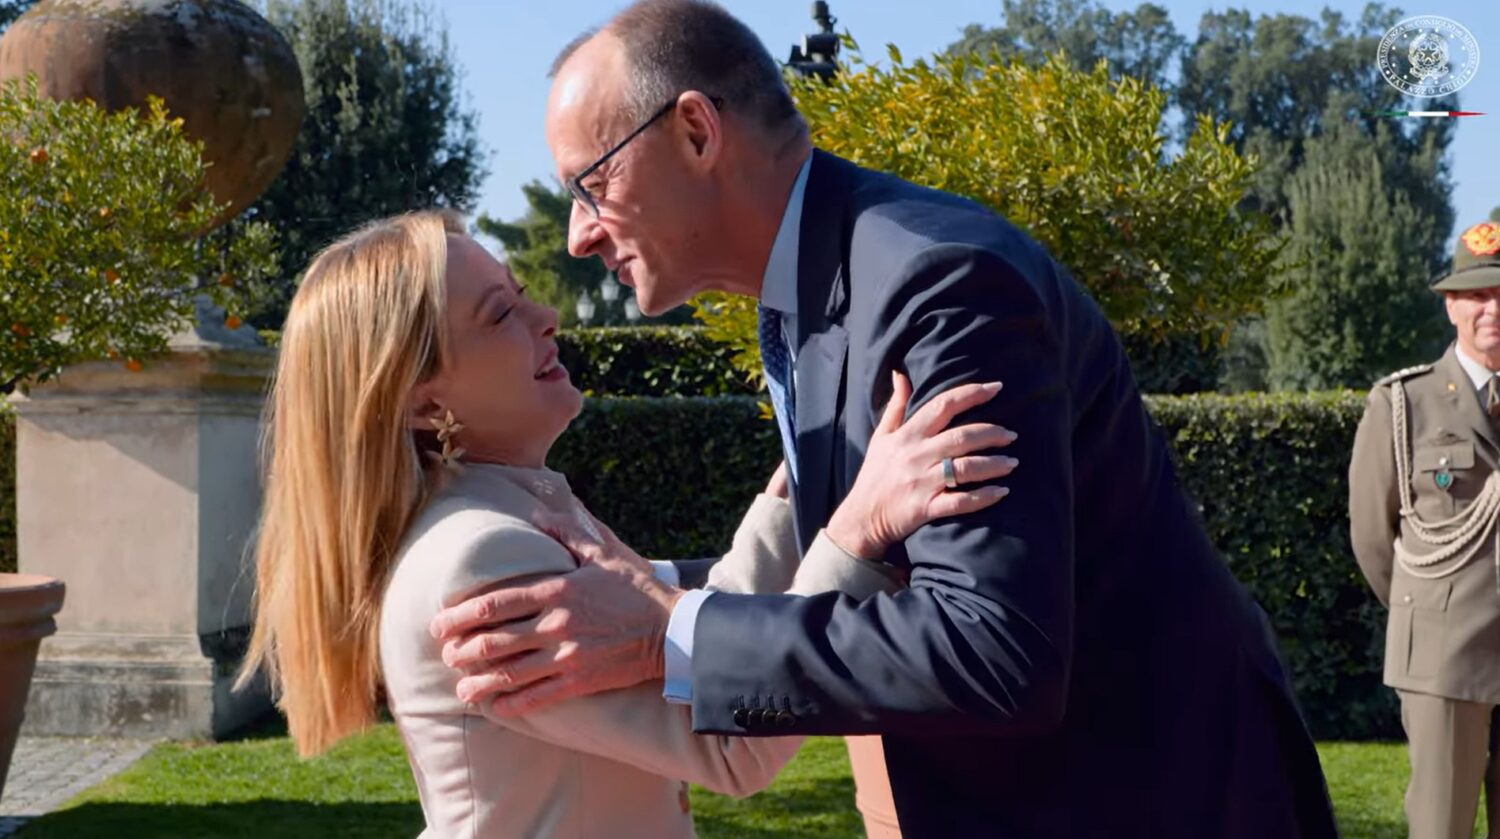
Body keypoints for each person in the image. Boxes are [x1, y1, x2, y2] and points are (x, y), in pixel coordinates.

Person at [429, 2, 1340, 836]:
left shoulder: (938, 286)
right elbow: (881, 564)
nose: (579, 233)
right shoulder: (825, 288)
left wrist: (666, 630)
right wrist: (650, 590)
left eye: (591, 184)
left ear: (698, 131)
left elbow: (994, 648)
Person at [236, 209, 1019, 837]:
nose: (546, 315)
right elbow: (731, 747)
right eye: (500, 312)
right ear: (423, 401)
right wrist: (857, 531)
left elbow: (688, 628)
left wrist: (802, 488)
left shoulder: (512, 509)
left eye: (519, 293)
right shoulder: (483, 556)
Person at [1349, 219, 1500, 839]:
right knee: (1442, 827)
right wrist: (1431, 612)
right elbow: (1372, 537)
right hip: (1444, 657)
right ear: (1450, 305)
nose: (1493, 309)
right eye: (1478, 295)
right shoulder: (1403, 403)